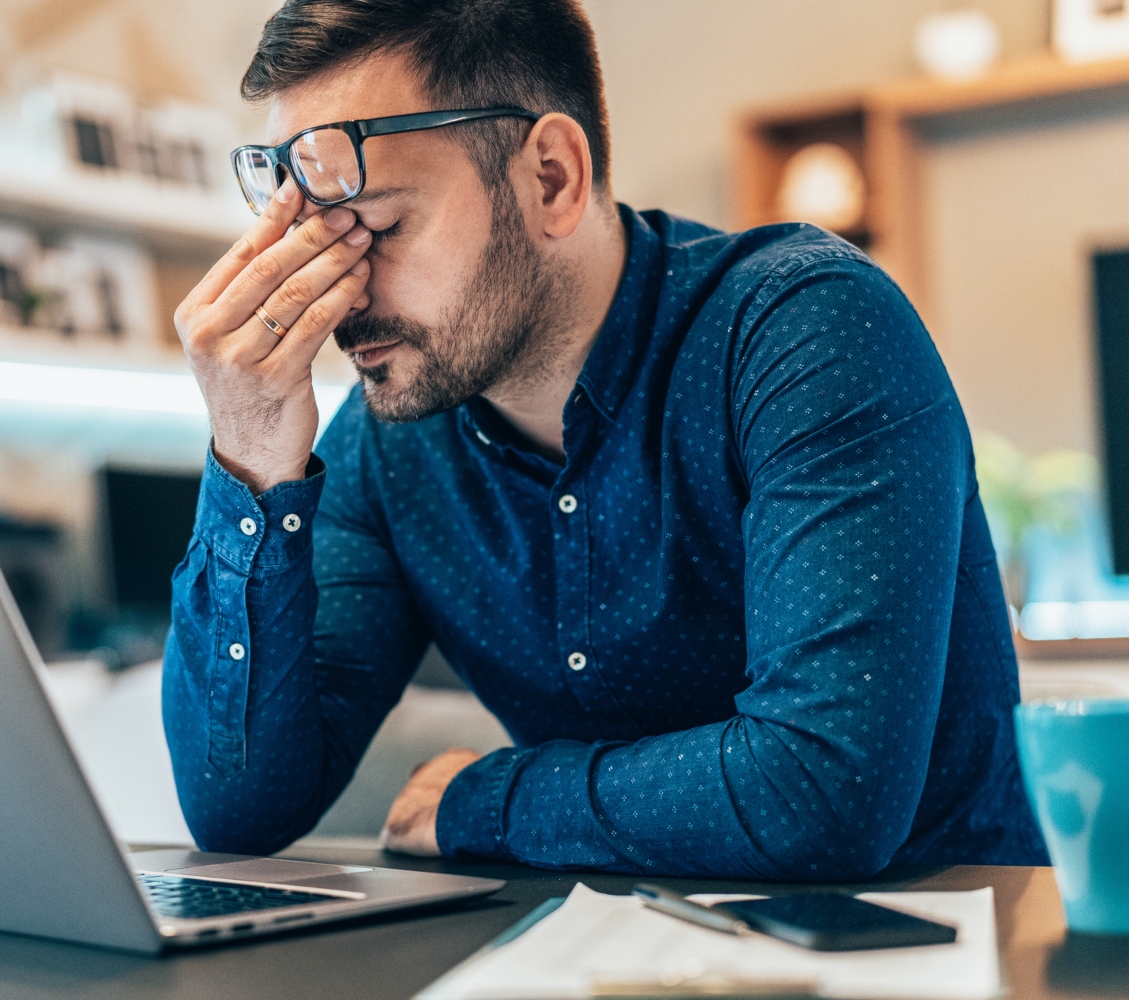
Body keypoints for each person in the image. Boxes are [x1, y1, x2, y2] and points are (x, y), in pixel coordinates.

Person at [163, 0, 1048, 878]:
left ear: (551, 176)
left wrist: (493, 796)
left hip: (935, 942)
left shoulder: (809, 332)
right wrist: (250, 457)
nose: (344, 296)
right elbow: (239, 811)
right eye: (315, 241)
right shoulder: (392, 444)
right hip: (598, 955)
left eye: (383, 228)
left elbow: (820, 793)